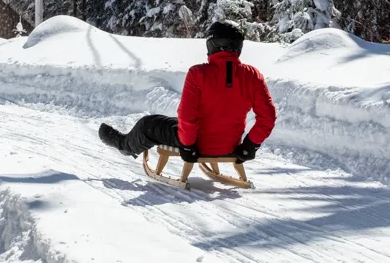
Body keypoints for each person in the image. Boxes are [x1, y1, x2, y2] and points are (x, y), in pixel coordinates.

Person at [98, 20, 277, 164]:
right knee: (177, 123)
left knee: (148, 123)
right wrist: (250, 146)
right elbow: (268, 117)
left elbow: (187, 115)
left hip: (197, 144)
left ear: (212, 44)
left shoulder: (198, 73)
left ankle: (124, 145)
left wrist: (188, 145)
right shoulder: (253, 75)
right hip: (230, 145)